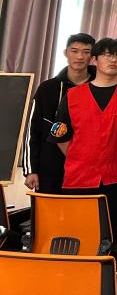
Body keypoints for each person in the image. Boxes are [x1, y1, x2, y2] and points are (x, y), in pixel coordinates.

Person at [50, 37, 117, 243]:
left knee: (112, 236)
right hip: (78, 177)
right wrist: (81, 156)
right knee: (76, 235)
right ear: (94, 60)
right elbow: (61, 136)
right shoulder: (72, 95)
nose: (113, 60)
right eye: (107, 55)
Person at [22, 32, 95, 193]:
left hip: (88, 170)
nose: (80, 56)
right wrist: (31, 170)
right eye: (74, 51)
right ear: (66, 53)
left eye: (86, 52)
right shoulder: (47, 88)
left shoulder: (99, 88)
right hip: (49, 170)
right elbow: (32, 130)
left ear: (92, 57)